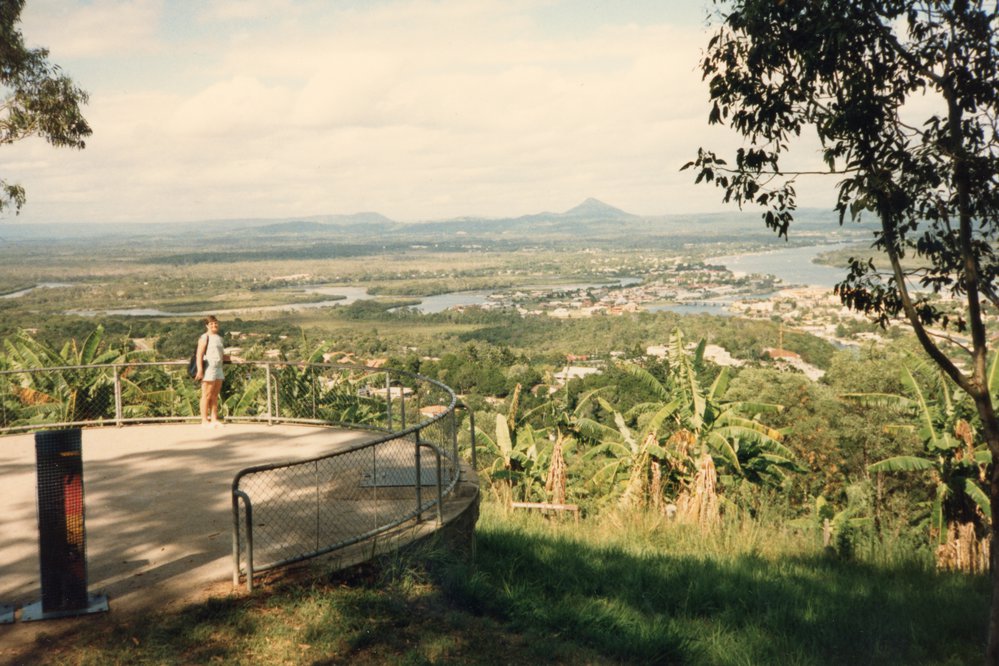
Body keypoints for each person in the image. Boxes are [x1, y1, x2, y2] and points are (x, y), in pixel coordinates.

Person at [195, 315, 229, 427]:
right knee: (206, 394)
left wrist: (236, 358)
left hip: (218, 368)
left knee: (215, 395)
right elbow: (199, 354)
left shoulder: (219, 338)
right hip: (209, 368)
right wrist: (200, 370)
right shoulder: (204, 337)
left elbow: (222, 356)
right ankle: (204, 420)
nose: (214, 325)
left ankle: (214, 419)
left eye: (215, 323)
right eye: (211, 324)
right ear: (207, 325)